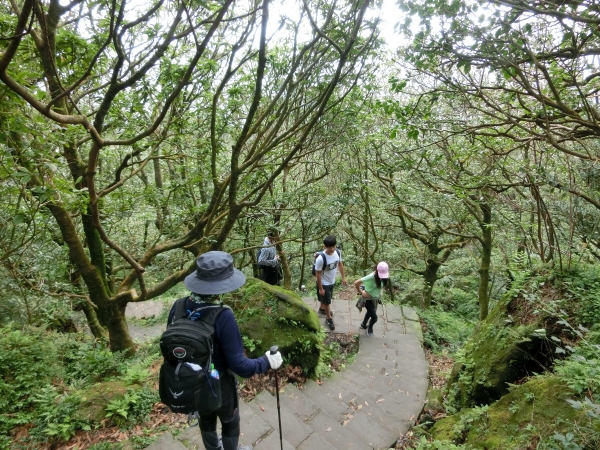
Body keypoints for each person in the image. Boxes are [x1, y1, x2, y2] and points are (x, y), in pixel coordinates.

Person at [168, 251, 283, 450]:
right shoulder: (223, 315)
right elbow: (240, 366)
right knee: (230, 421)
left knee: (206, 416)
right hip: (220, 383)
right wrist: (266, 361)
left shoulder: (178, 307)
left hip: (192, 381)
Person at [314, 235, 347, 330]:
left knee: (325, 299)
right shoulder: (320, 258)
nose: (332, 249)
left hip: (332, 281)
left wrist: (343, 277)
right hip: (324, 283)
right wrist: (320, 288)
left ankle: (322, 308)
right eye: (330, 247)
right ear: (325, 247)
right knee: (328, 302)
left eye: (334, 246)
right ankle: (329, 318)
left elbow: (340, 264)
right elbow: (318, 274)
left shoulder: (337, 252)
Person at [353, 261, 390, 337]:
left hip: (375, 299)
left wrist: (381, 291)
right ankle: (370, 328)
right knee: (374, 317)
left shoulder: (385, 275)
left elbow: (383, 285)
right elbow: (356, 283)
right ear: (377, 270)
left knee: (370, 312)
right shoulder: (371, 276)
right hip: (367, 299)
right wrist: (361, 292)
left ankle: (363, 324)